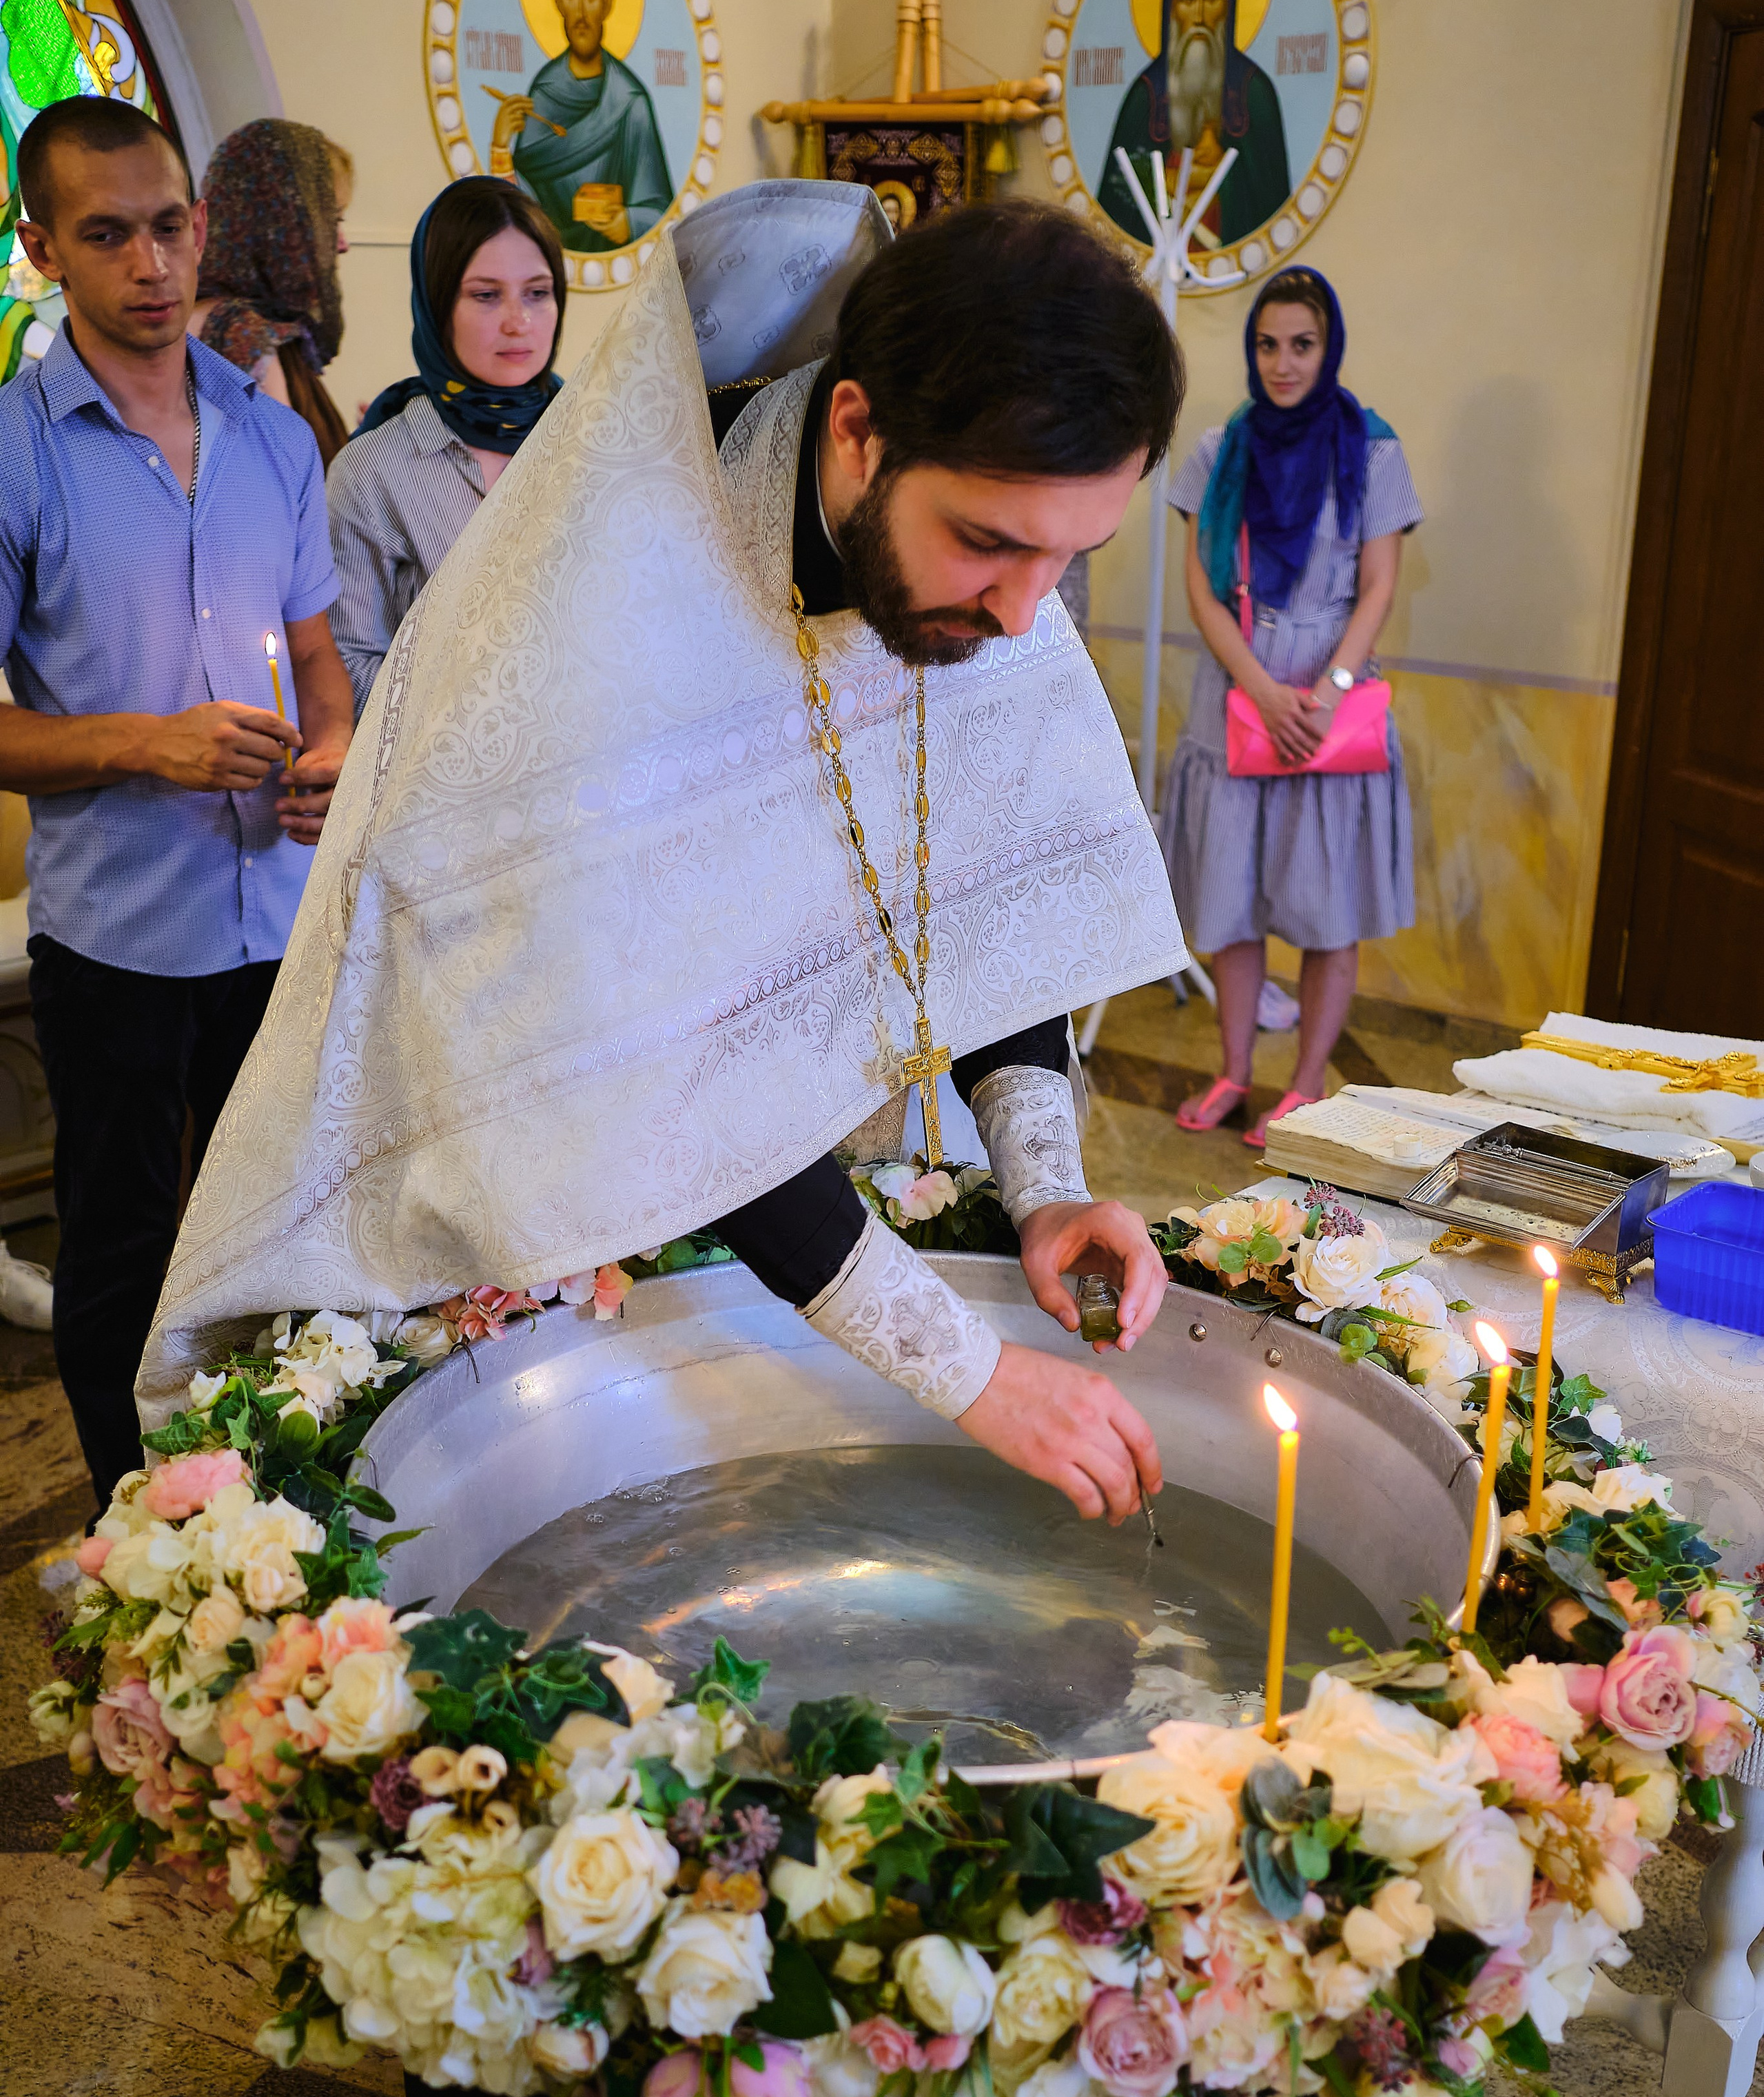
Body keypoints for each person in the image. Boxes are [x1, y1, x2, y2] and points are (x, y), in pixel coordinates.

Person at [146, 188, 1193, 1532]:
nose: (1022, 613)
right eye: (991, 545)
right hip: (538, 1194)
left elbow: (993, 884)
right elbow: (661, 1072)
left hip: (815, 1203)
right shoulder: (611, 609)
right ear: (860, 427)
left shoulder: (984, 581)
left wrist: (1044, 1189)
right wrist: (970, 1371)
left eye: (1070, 557)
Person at [0, 96, 353, 1504]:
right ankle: (135, 1524)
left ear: (200, 228)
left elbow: (321, 661)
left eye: (166, 228)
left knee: (280, 1230)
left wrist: (328, 753)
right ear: (42, 248)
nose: (148, 264)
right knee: (126, 1249)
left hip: (275, 917)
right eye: (106, 236)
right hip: (121, 941)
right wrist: (154, 748)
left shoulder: (272, 443)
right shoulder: (18, 452)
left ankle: (271, 1516)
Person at [1160, 266, 1422, 1150]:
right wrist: (1260, 689)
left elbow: (1379, 586)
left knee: (1325, 904)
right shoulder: (1218, 450)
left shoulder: (1372, 450)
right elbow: (1200, 591)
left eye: (1301, 344)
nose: (1282, 363)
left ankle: (1305, 1084)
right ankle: (1234, 1067)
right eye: (1267, 344)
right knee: (1228, 899)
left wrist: (1325, 692)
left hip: (1328, 698)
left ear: (1328, 347)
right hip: (1239, 693)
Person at [327, 177, 565, 717]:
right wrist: (489, 709)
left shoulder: (598, 436)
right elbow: (351, 670)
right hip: (447, 785)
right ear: (437, 304)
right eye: (485, 295)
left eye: (538, 292)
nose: (518, 321)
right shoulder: (373, 472)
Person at [192, 119, 353, 470]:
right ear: (283, 223)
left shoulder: (227, 319)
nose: (342, 244)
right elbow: (289, 490)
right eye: (333, 221)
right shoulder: (242, 333)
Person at [1100, 0, 1289, 251]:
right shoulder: (1145, 94)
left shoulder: (1255, 93)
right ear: (1171, 8)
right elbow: (1116, 199)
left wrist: (1221, 183)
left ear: (1230, 4)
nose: (1199, 16)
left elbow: (1272, 205)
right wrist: (1165, 181)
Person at [495, 0, 673, 255]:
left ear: (608, 1)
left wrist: (628, 222)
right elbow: (522, 208)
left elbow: (661, 211)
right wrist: (500, 149)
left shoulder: (631, 102)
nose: (580, 11)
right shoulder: (543, 91)